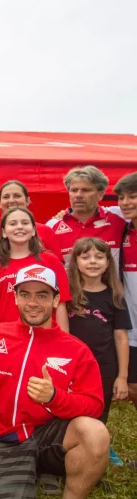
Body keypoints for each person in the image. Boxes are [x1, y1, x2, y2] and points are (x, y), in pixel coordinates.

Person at [0, 264, 108, 499]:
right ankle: (19, 471)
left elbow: (94, 405)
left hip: (47, 434)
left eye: (42, 295)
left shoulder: (76, 349)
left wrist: (55, 398)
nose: (33, 302)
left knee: (95, 432)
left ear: (56, 300)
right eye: (25, 294)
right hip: (3, 437)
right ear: (15, 297)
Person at [67, 237, 131, 467]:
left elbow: (121, 337)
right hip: (74, 367)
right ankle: (74, 445)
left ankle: (101, 446)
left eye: (99, 257)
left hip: (104, 366)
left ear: (108, 263)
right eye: (86, 257)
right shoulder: (68, 295)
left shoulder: (115, 296)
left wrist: (122, 376)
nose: (93, 261)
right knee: (73, 409)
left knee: (99, 410)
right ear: (76, 262)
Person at [0, 207, 70, 331]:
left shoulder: (51, 261)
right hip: (7, 336)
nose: (19, 227)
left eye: (25, 223)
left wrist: (63, 339)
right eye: (13, 224)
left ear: (33, 230)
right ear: (4, 232)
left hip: (45, 335)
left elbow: (61, 304)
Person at [0, 180, 63, 299]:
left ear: (27, 200)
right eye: (6, 197)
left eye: (17, 196)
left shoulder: (46, 231)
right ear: (0, 203)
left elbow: (59, 273)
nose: (11, 200)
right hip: (3, 302)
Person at [46, 166, 126, 265]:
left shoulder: (119, 215)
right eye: (74, 190)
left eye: (86, 190)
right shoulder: (52, 226)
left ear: (101, 194)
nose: (78, 195)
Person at [114, 173, 137, 460]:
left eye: (132, 196)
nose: (125, 202)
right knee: (132, 386)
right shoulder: (124, 229)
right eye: (121, 197)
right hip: (132, 327)